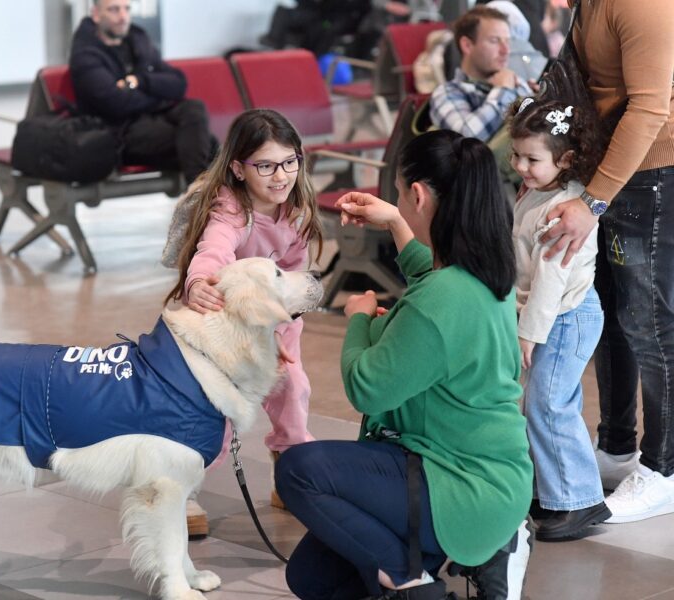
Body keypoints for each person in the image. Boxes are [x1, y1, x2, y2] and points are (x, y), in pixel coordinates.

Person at [275, 129, 534, 600]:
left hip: (461, 483)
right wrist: (396, 221)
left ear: (419, 194)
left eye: (398, 194)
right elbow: (426, 276)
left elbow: (368, 388)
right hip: (470, 468)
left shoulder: (442, 298)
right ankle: (414, 573)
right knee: (312, 577)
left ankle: (412, 581)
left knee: (299, 470)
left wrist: (356, 321)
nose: (396, 201)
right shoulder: (480, 270)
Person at [538, 0, 674, 523]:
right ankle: (618, 445)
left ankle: (663, 467)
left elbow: (649, 108)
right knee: (612, 317)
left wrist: (593, 201)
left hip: (653, 173)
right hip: (613, 174)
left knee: (652, 324)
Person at [165, 108, 323, 512]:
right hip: (227, 330)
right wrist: (199, 282)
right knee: (215, 406)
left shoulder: (296, 209)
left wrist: (281, 332)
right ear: (238, 168)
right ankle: (183, 485)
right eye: (265, 166)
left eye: (289, 162)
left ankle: (292, 471)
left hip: (274, 326)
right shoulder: (231, 211)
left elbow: (294, 278)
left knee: (293, 389)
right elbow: (212, 250)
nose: (281, 175)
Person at [508, 97, 610, 540]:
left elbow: (551, 276)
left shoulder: (563, 209)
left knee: (549, 404)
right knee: (540, 403)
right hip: (546, 313)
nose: (521, 166)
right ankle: (552, 489)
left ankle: (579, 499)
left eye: (532, 158)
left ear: (565, 159)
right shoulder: (536, 193)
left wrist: (528, 334)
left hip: (566, 316)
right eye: (516, 155)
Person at [69, 0, 213, 184]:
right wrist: (159, 95)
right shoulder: (86, 54)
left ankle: (199, 196)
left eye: (126, 9)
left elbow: (179, 83)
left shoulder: (137, 40)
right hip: (120, 132)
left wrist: (140, 81)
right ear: (96, 14)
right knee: (206, 143)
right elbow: (116, 103)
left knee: (194, 108)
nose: (123, 17)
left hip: (152, 117)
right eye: (114, 10)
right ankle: (201, 197)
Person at [430, 6, 533, 142]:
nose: (506, 50)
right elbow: (467, 140)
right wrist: (503, 90)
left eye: (507, 41)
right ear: (467, 45)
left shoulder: (515, 81)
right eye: (494, 41)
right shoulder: (446, 92)